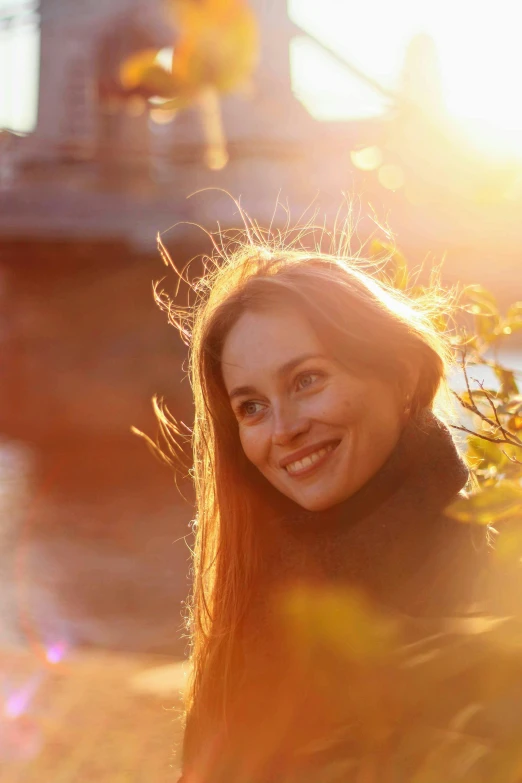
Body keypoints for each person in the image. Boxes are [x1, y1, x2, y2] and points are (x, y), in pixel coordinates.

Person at [169, 241, 515, 782]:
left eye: (307, 380)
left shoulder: (488, 599)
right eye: (251, 407)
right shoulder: (253, 602)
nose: (283, 430)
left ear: (400, 373)